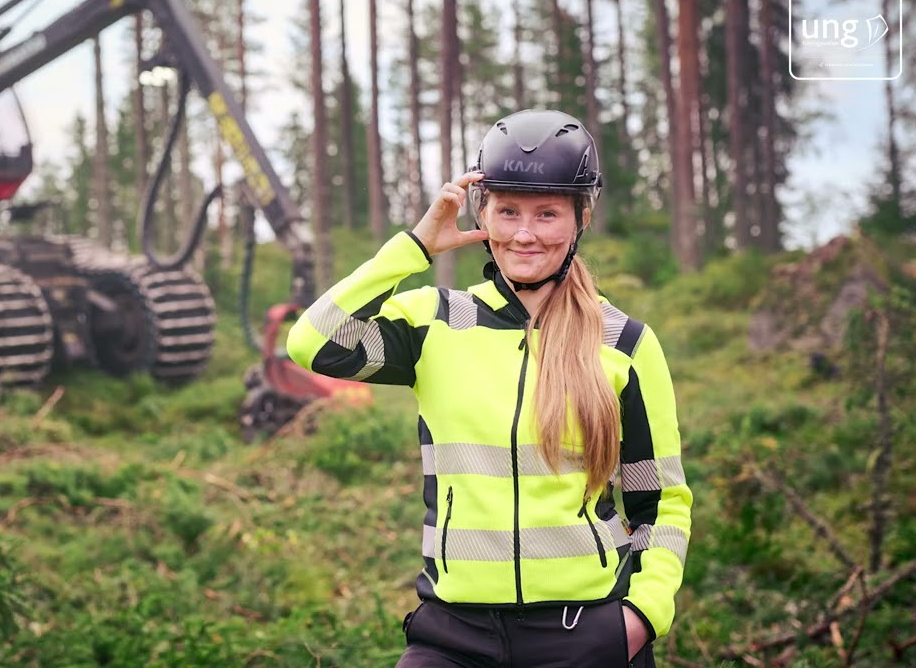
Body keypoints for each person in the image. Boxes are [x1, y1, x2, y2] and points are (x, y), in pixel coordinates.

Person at [286, 109, 692, 667]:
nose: (525, 234)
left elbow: (661, 503)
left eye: (547, 213)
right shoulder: (433, 324)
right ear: (483, 213)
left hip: (585, 632)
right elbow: (313, 341)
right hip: (454, 634)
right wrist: (416, 248)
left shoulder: (623, 342)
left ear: (581, 217)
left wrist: (641, 618)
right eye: (508, 211)